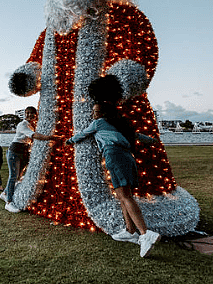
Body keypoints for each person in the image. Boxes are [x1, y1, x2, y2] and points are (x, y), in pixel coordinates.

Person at [6, 0, 199, 237]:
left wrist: (118, 82)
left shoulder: (126, 15)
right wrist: (26, 77)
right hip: (57, 117)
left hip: (113, 111)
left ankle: (134, 221)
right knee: (53, 163)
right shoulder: (53, 29)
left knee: (123, 174)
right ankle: (51, 201)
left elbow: (145, 53)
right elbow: (36, 62)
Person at [66, 102, 160, 257]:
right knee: (123, 196)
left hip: (113, 155)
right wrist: (153, 140)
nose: (93, 114)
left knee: (125, 196)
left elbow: (83, 133)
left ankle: (145, 234)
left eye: (96, 112)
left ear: (103, 113)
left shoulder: (99, 123)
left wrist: (69, 141)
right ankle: (130, 231)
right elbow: (138, 136)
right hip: (127, 157)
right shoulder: (120, 124)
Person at [1, 106, 61, 213]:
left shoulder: (33, 125)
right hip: (15, 151)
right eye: (27, 113)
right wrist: (50, 138)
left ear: (35, 114)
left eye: (32, 113)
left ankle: (5, 193)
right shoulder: (22, 124)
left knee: (19, 176)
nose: (29, 115)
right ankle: (9, 203)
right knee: (13, 176)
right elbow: (34, 136)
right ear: (25, 114)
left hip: (24, 152)